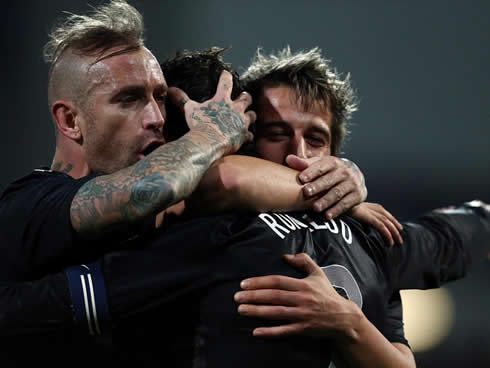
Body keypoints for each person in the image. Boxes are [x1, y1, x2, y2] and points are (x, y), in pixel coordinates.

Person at [3, 49, 488, 368]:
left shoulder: (223, 234)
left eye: (317, 140)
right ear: (248, 141)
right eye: (277, 134)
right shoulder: (362, 229)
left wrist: (347, 322)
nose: (300, 152)